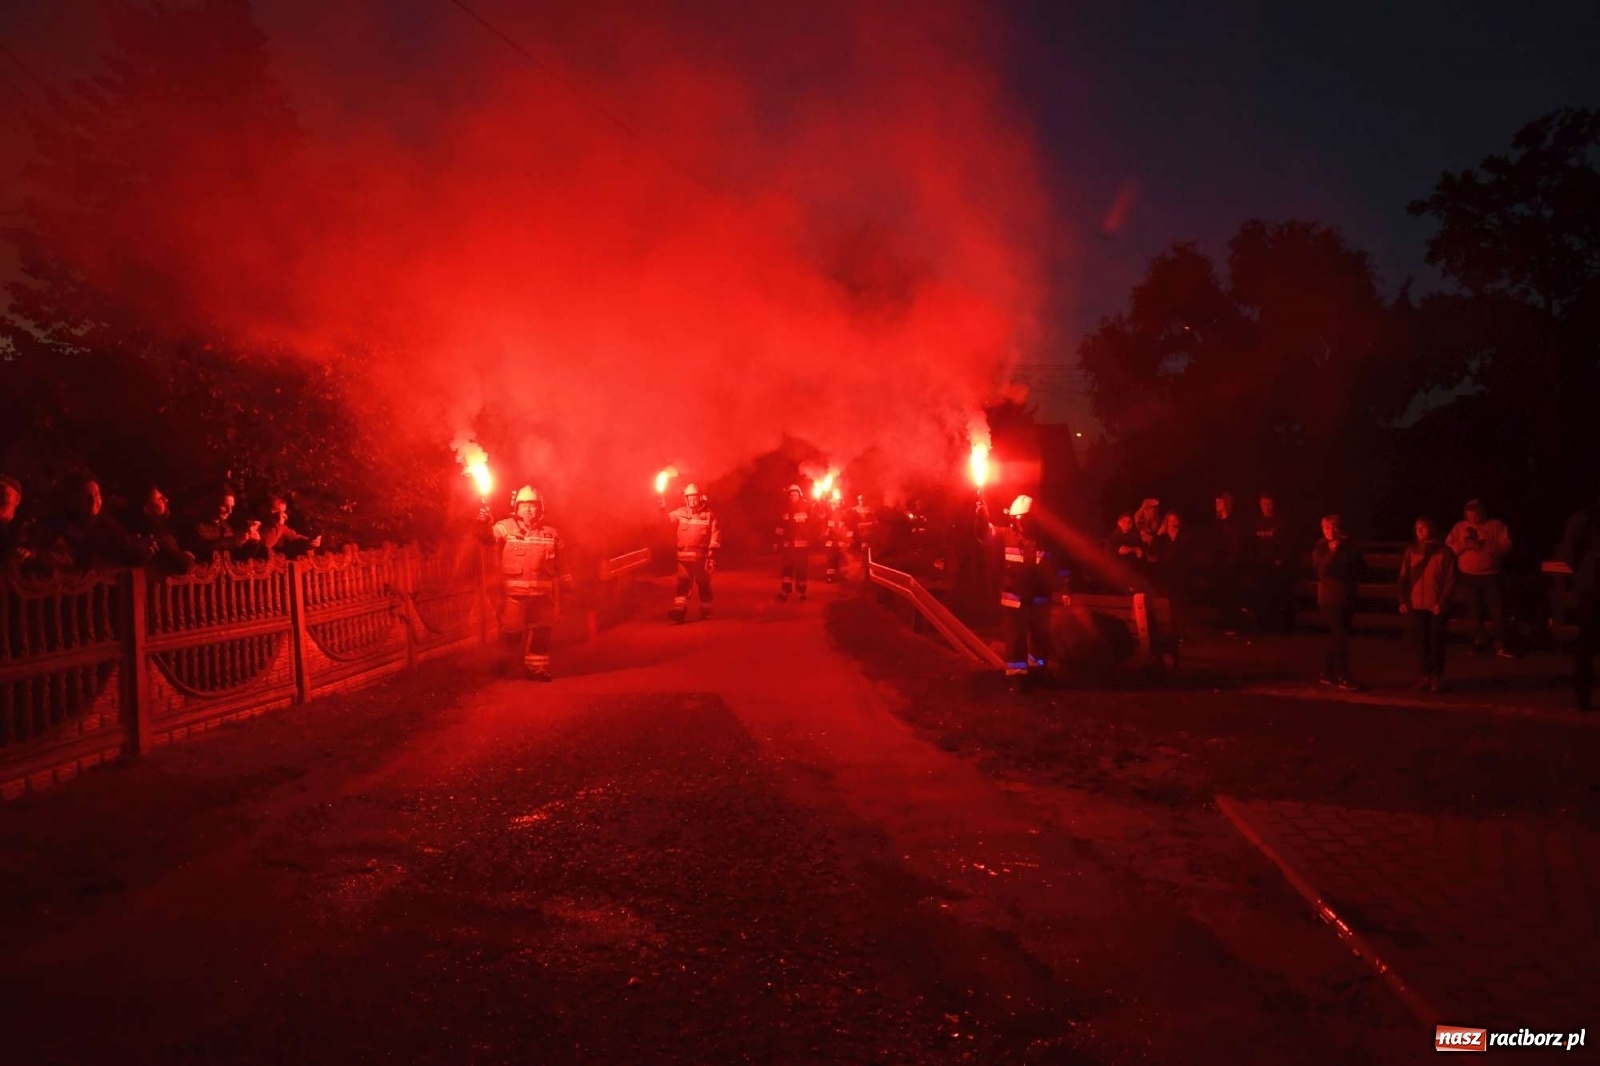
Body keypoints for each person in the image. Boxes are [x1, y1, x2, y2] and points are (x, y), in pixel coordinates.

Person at [483, 485, 568, 680]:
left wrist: (567, 585)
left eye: (533, 506)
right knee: (511, 633)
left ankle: (536, 670)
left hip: (542, 597)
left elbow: (563, 564)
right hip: (514, 597)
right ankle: (502, 668)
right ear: (517, 508)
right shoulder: (506, 527)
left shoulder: (551, 533)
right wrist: (483, 523)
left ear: (541, 508)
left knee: (541, 633)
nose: (529, 510)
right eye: (525, 506)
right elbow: (487, 537)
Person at [981, 494, 1058, 691]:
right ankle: (1018, 679)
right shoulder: (1005, 535)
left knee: (1040, 639)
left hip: (1039, 600)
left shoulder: (1044, 541)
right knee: (1015, 640)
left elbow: (1055, 568)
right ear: (1014, 520)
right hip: (1014, 600)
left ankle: (1038, 673)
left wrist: (1063, 588)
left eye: (1027, 520)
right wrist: (981, 515)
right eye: (1020, 520)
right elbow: (984, 533)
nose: (1023, 524)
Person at [1397, 517, 1458, 693]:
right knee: (1422, 641)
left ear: (1432, 529)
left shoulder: (1445, 552)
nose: (1420, 531)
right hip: (1417, 604)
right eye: (1417, 529)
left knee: (1436, 641)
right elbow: (1403, 577)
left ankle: (1436, 677)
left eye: (1423, 528)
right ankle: (1425, 676)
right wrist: (1403, 599)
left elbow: (1451, 579)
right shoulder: (1411, 552)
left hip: (1436, 605)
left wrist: (1442, 602)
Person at [1446, 499, 1513, 656]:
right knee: (1474, 611)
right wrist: (1464, 546)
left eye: (1476, 515)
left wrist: (1485, 546)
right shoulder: (1460, 527)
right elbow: (1449, 545)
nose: (1474, 519)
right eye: (1470, 516)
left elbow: (1506, 546)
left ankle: (1500, 644)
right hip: (1468, 576)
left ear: (1483, 513)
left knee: (1497, 610)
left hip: (1491, 576)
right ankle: (1479, 641)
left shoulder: (1496, 525)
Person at [1312, 514, 1364, 690]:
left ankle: (1327, 673)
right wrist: (1332, 552)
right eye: (1327, 528)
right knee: (1340, 636)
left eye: (1334, 527)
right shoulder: (1320, 548)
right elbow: (1322, 571)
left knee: (1339, 637)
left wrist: (1347, 550)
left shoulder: (1347, 547)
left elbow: (1361, 566)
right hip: (1329, 599)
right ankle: (1343, 676)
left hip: (1346, 597)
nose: (1331, 532)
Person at [1561, 495, 1600, 712]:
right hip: (1591, 584)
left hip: (1590, 585)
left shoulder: (1582, 519)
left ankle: (1583, 697)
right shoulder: (1583, 520)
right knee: (1586, 643)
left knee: (1586, 642)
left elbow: (1570, 555)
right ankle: (1582, 697)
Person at [48, 477, 135, 570]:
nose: (94, 501)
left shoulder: (109, 524)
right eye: (88, 497)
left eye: (97, 494)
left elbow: (124, 549)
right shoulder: (63, 525)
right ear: (77, 499)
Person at [662, 483, 719, 623]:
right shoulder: (680, 512)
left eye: (695, 497)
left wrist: (711, 553)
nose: (693, 500)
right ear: (686, 498)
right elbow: (665, 520)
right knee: (682, 586)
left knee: (704, 586)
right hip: (683, 559)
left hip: (702, 559)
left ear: (700, 498)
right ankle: (679, 612)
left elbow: (716, 534)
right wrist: (661, 507)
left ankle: (705, 612)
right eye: (690, 497)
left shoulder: (708, 515)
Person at [125, 486, 194, 574]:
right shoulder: (153, 532)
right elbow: (181, 566)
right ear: (146, 507)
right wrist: (188, 558)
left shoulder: (160, 527)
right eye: (159, 499)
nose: (166, 500)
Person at [1252, 493, 1292, 632]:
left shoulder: (1281, 522)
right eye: (1263, 504)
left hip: (1275, 566)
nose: (1266, 507)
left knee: (1276, 595)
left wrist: (1280, 558)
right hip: (1260, 565)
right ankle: (1263, 626)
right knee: (1262, 596)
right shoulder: (1256, 522)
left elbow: (1287, 542)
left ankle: (1278, 626)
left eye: (1269, 504)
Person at [1210, 491, 1247, 632]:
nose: (1216, 505)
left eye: (1219, 502)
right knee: (1222, 595)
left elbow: (1236, 544)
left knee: (1232, 595)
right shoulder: (1217, 523)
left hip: (1231, 566)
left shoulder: (1233, 523)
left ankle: (1234, 624)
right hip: (1219, 566)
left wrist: (1231, 561)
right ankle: (1224, 624)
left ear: (1225, 503)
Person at [193, 490, 263, 561]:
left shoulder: (226, 526)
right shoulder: (198, 525)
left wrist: (253, 542)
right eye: (224, 506)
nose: (230, 511)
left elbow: (237, 556)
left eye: (231, 507)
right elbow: (203, 552)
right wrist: (233, 540)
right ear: (213, 504)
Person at [774, 484, 814, 602]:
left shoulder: (807, 507)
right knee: (787, 569)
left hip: (802, 546)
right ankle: (785, 591)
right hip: (788, 545)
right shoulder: (784, 509)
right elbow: (780, 527)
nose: (792, 496)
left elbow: (812, 525)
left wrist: (812, 540)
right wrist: (777, 542)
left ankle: (802, 592)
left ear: (799, 495)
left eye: (795, 494)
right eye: (791, 495)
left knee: (801, 569)